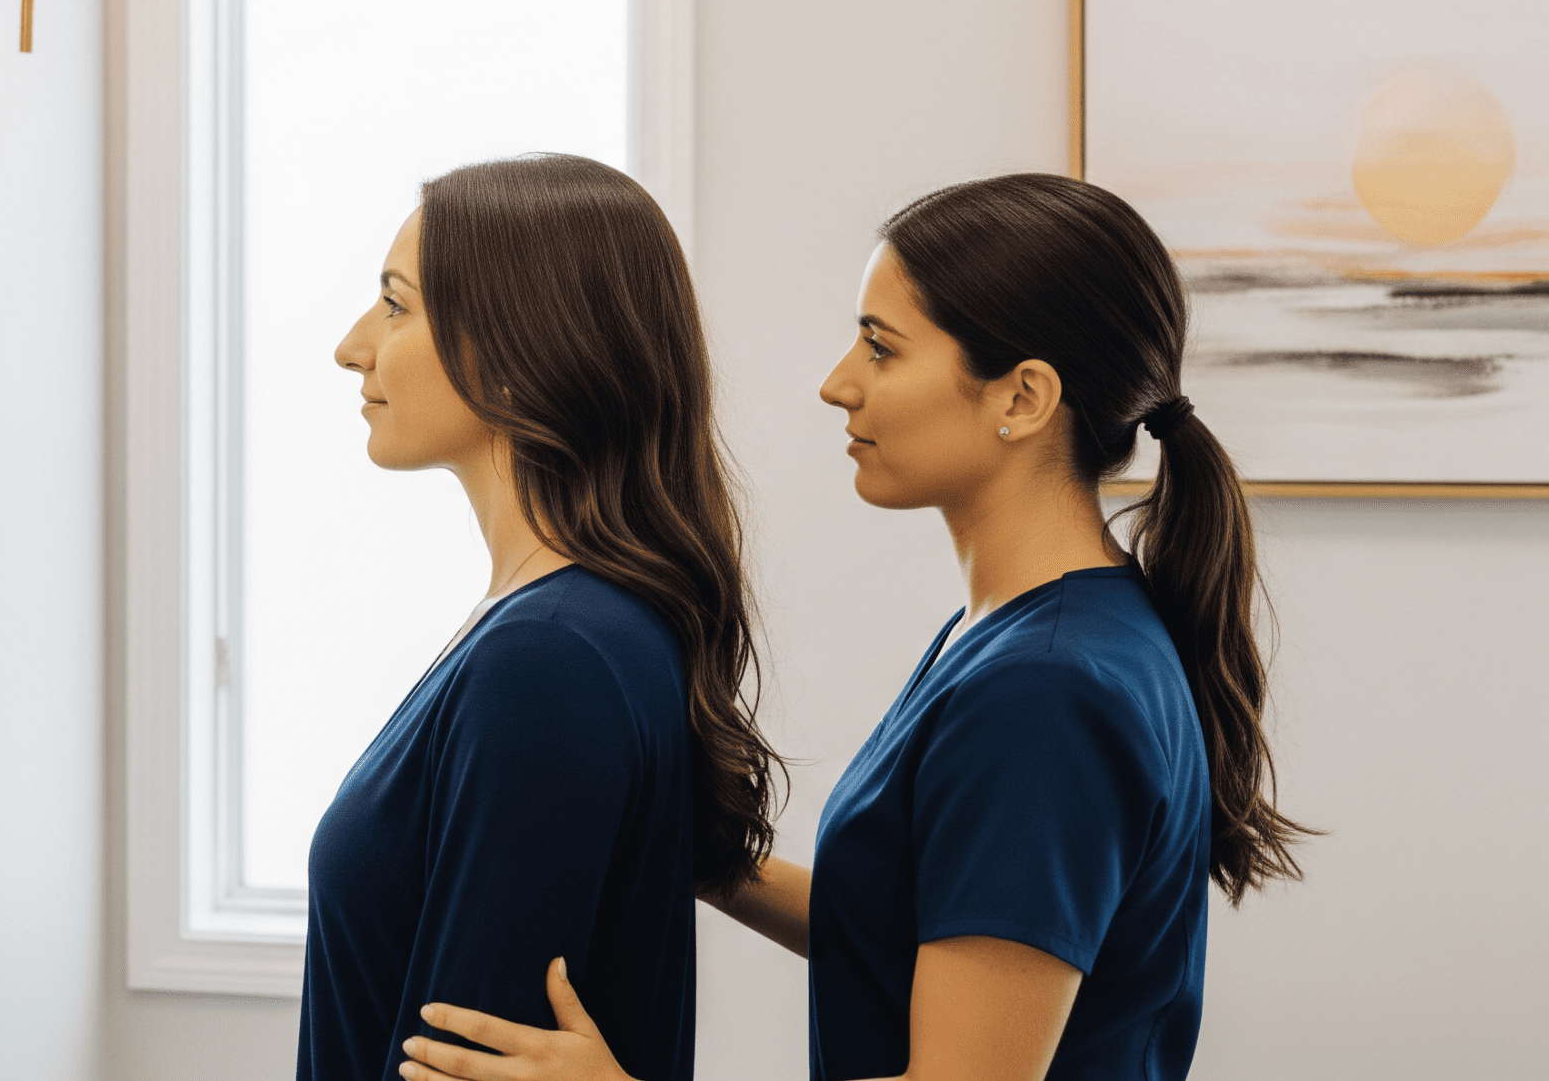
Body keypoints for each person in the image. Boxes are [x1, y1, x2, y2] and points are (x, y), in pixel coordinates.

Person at [394, 173, 1310, 1081]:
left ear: (1022, 399)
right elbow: (901, 931)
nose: (838, 384)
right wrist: (700, 849)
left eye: (881, 348)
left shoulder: (1046, 689)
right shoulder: (1018, 634)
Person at [303, 154, 779, 1081]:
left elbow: (461, 1057)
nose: (353, 345)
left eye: (396, 306)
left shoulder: (550, 658)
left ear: (520, 354)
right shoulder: (565, 629)